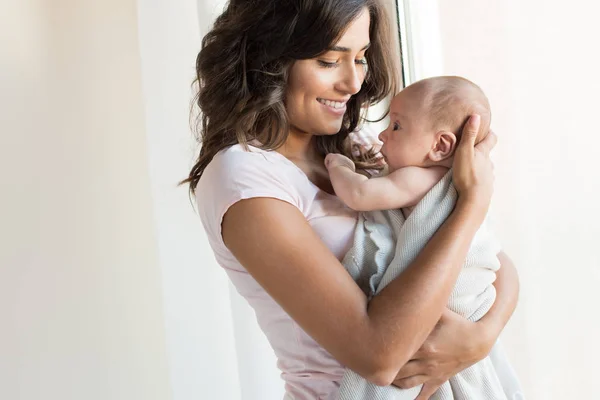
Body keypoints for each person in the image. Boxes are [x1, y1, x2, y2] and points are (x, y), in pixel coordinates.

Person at [183, 1, 520, 399]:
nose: (353, 82)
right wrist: (471, 204)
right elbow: (379, 355)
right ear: (267, 58)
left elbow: (491, 264)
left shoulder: (357, 147)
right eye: (329, 61)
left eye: (360, 58)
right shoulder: (246, 179)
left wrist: (482, 337)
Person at [325, 76, 522, 399]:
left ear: (440, 146)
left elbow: (360, 194)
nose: (383, 135)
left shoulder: (421, 179)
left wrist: (340, 166)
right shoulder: (459, 182)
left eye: (397, 127)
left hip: (456, 304)